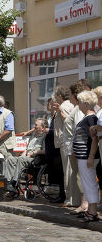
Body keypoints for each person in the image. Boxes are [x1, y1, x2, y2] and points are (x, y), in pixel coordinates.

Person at [72, 91, 100, 222]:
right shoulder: (87, 118)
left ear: (86, 104)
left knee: (89, 183)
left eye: (79, 102)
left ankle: (93, 212)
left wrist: (90, 156)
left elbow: (94, 139)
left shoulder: (91, 118)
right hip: (83, 157)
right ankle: (90, 210)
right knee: (87, 183)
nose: (77, 104)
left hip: (87, 157)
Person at [62, 83, 86, 209]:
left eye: (70, 94)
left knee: (80, 176)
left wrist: (74, 148)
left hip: (76, 148)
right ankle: (79, 202)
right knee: (77, 176)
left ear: (75, 95)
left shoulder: (78, 110)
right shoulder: (76, 108)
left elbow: (79, 129)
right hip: (72, 147)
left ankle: (83, 204)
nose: (69, 97)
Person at [5, 119, 46, 191]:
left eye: (36, 125)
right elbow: (27, 149)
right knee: (10, 159)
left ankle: (14, 183)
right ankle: (9, 182)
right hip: (27, 157)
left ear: (42, 127)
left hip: (36, 159)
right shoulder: (33, 134)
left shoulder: (45, 136)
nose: (34, 126)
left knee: (21, 159)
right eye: (35, 124)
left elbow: (45, 151)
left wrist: (34, 152)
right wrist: (24, 153)